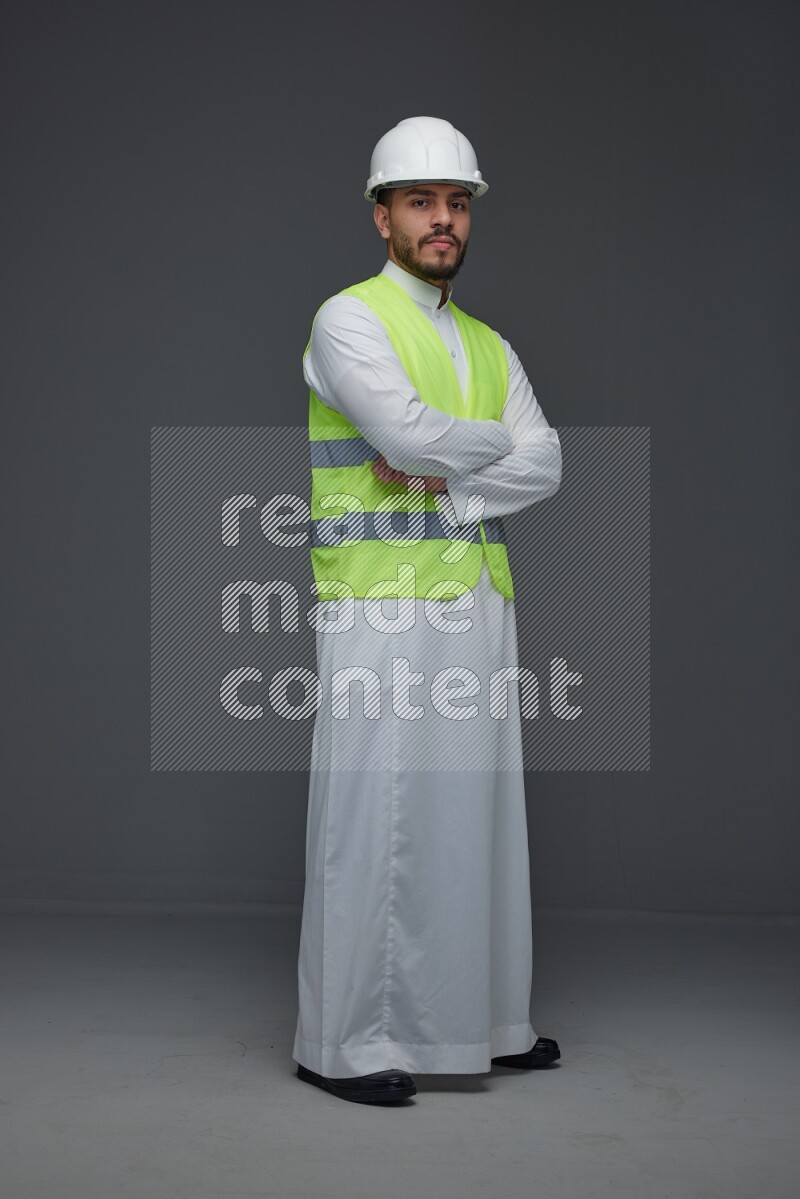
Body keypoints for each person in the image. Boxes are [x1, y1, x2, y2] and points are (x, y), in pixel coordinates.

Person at [292, 116, 563, 1105]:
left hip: (478, 605)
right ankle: (340, 1042)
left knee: (474, 814)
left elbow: (549, 461)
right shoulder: (348, 319)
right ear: (381, 215)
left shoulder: (489, 342)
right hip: (379, 606)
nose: (442, 218)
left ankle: (486, 1023)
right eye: (420, 201)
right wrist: (478, 446)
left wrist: (448, 472)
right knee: (375, 820)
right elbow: (396, 426)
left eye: (455, 203)